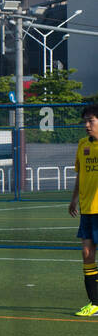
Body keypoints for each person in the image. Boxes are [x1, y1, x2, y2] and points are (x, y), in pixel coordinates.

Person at [68, 104, 98, 317]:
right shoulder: (82, 145)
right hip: (87, 210)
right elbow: (81, 174)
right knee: (87, 254)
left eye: (91, 121)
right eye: (85, 121)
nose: (87, 125)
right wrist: (73, 200)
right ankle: (94, 302)